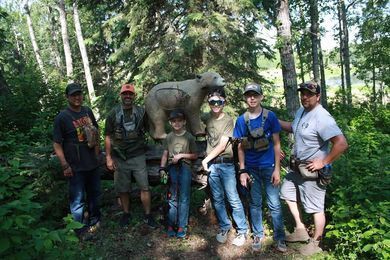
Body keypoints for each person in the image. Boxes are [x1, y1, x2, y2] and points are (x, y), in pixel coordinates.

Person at [279, 81, 348, 256]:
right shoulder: (302, 111)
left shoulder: (322, 117)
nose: (304, 97)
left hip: (312, 171)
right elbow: (293, 128)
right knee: (286, 193)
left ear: (318, 96)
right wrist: (274, 120)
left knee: (316, 207)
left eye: (309, 94)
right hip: (297, 168)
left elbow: (341, 144)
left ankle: (316, 242)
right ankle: (301, 229)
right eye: (303, 93)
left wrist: (323, 162)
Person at [233, 83, 287, 252]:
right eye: (249, 95)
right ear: (245, 98)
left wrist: (277, 168)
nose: (252, 98)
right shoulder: (242, 120)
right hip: (251, 168)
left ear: (261, 97)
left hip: (269, 166)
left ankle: (279, 237)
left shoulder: (270, 117)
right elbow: (240, 147)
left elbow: (277, 144)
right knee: (255, 203)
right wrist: (242, 170)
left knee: (274, 203)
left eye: (255, 95)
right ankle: (258, 234)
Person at [104, 83, 158, 228]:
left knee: (144, 187)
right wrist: (108, 157)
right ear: (121, 95)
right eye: (125, 94)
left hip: (138, 155)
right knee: (122, 188)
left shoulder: (141, 112)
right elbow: (108, 136)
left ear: (134, 96)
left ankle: (148, 215)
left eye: (130, 94)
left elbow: (150, 129)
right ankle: (126, 213)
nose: (127, 96)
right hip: (120, 157)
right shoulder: (113, 114)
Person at [53, 82, 101, 238]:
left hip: (92, 162)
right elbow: (57, 143)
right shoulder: (62, 117)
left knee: (94, 193)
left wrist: (97, 153)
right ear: (67, 97)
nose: (77, 97)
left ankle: (95, 220)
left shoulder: (87, 111)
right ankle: (80, 229)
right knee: (78, 200)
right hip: (75, 165)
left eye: (79, 94)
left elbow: (96, 131)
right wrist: (64, 165)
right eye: (73, 95)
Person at [201, 88, 249, 247]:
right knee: (217, 199)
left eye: (219, 101)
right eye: (212, 102)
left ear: (224, 102)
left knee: (232, 198)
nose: (215, 104)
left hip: (226, 164)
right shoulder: (206, 118)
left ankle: (242, 230)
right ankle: (224, 226)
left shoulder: (228, 120)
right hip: (212, 166)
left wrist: (205, 160)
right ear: (208, 103)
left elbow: (222, 145)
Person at [159, 109, 198, 238]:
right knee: (172, 197)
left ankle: (182, 226)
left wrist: (181, 155)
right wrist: (162, 168)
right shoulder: (168, 137)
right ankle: (171, 225)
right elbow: (165, 153)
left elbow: (195, 155)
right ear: (170, 123)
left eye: (179, 121)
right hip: (171, 168)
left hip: (185, 168)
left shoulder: (189, 137)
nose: (177, 123)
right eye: (174, 121)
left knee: (184, 197)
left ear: (184, 122)